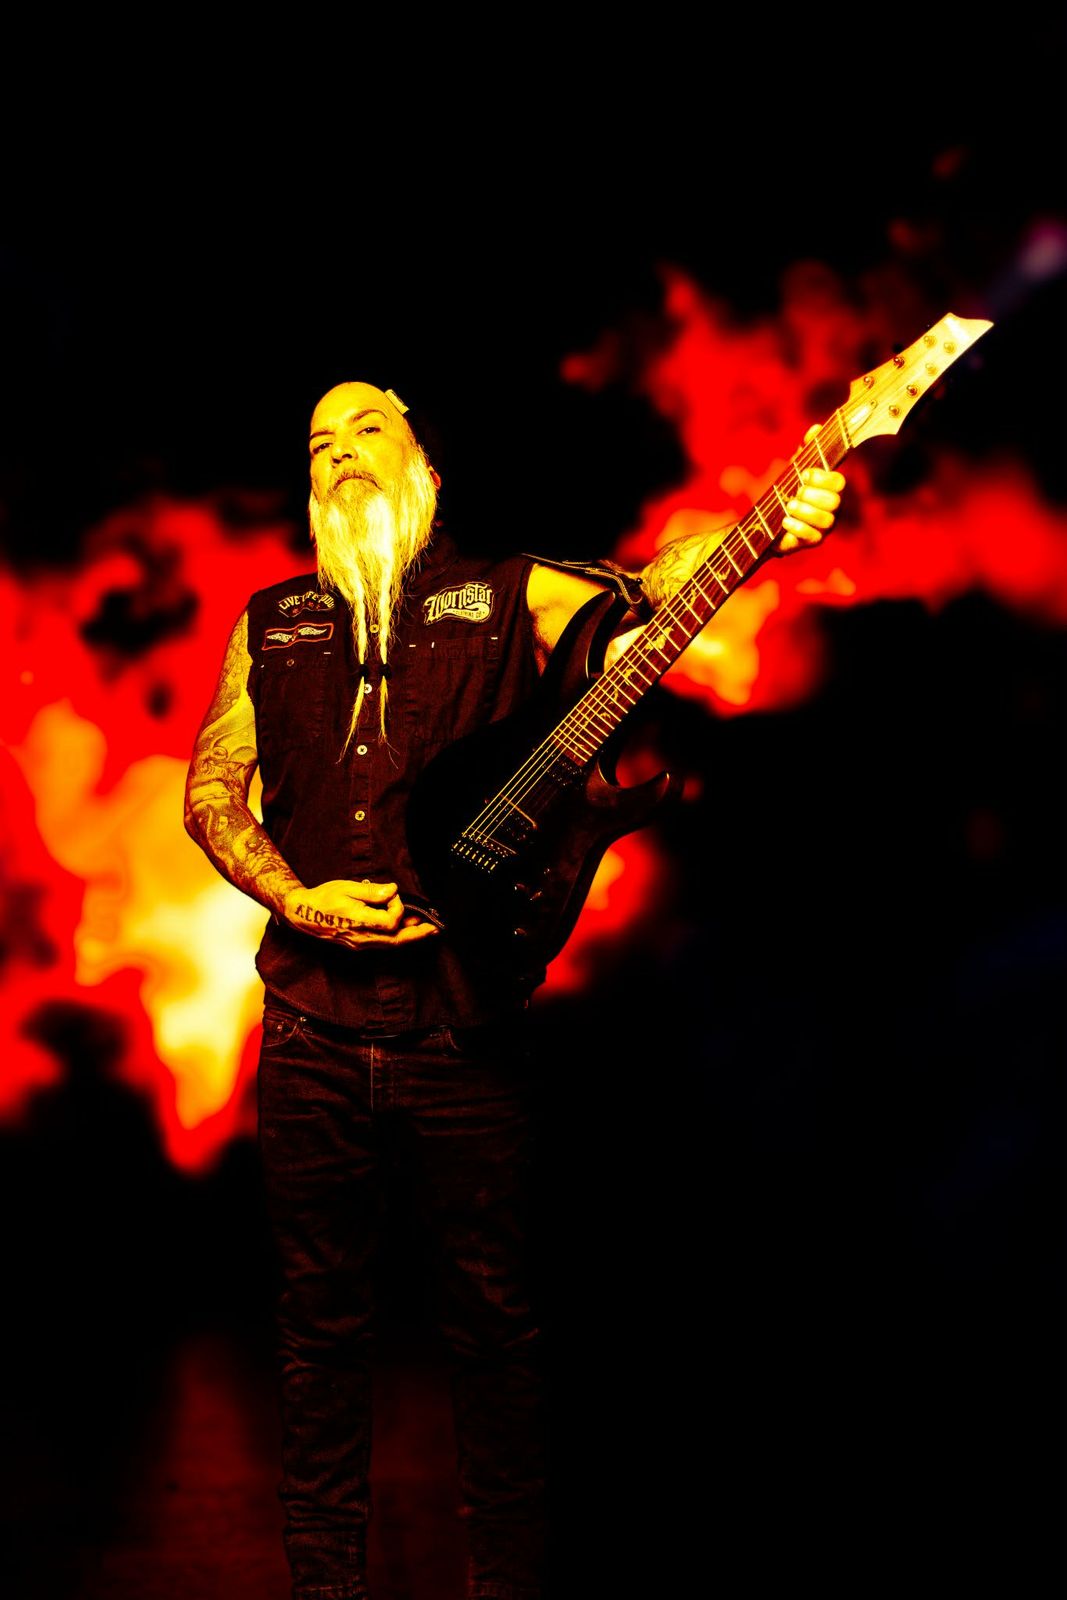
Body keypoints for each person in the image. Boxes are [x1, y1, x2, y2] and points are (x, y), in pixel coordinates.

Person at [183, 380, 845, 1600]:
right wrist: (297, 899)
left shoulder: (503, 591)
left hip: (463, 1032)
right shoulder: (268, 622)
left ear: (423, 466)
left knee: (493, 1331)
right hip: (308, 1036)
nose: (341, 453)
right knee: (317, 1337)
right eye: (319, 443)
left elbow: (652, 586)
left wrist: (767, 527)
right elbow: (211, 790)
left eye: (368, 430)